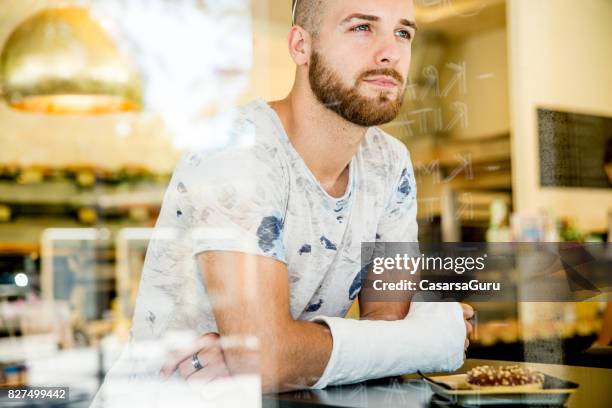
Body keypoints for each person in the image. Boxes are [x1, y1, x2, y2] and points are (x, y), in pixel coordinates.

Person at [98, 0, 473, 398]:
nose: (390, 52)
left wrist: (274, 356)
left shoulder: (390, 163)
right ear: (300, 46)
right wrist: (432, 337)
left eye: (403, 33)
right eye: (362, 27)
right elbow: (275, 359)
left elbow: (384, 337)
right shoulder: (235, 150)